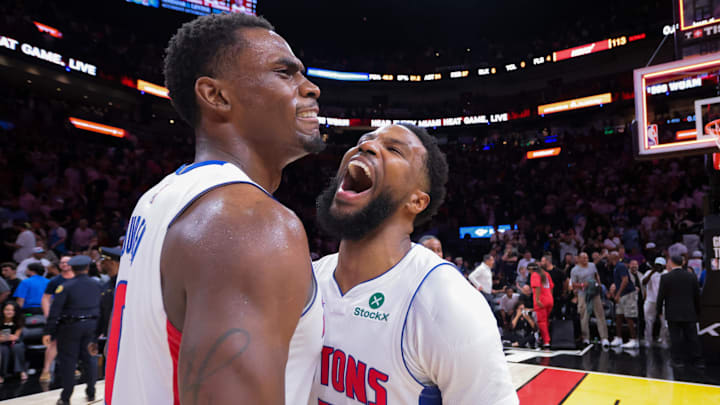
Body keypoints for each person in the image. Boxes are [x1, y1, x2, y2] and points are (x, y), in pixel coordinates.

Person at [106, 13, 324, 405]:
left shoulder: (159, 197)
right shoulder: (246, 220)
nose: (311, 88)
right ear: (217, 96)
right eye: (285, 73)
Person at [311, 124, 517, 403]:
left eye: (394, 149)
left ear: (416, 201)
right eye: (363, 140)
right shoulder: (306, 279)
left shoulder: (447, 302)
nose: (366, 146)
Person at [42, 255, 101, 405]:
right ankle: (91, 392)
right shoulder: (97, 285)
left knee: (68, 361)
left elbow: (55, 310)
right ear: (87, 268)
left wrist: (49, 331)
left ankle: (66, 397)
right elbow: (102, 307)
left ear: (72, 269)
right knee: (90, 359)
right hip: (91, 326)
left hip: (70, 327)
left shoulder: (66, 287)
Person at [657, 255, 704, 368]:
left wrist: (659, 310)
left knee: (675, 338)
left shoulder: (666, 277)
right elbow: (697, 296)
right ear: (682, 263)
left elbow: (661, 297)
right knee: (693, 337)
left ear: (672, 263)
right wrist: (698, 311)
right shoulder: (691, 276)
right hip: (689, 311)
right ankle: (698, 361)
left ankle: (677, 361)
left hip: (673, 313)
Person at [39, 255, 74, 382]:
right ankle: (46, 370)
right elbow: (45, 298)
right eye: (62, 262)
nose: (64, 265)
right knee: (54, 343)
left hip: (75, 315)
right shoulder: (54, 281)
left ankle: (72, 367)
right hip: (58, 316)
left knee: (73, 343)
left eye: (67, 262)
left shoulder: (78, 278)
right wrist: (48, 314)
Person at [570, 252, 609, 347]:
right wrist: (583, 285)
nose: (585, 259)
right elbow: (574, 284)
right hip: (583, 294)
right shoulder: (574, 270)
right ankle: (586, 338)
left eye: (587, 257)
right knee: (584, 316)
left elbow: (596, 275)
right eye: (583, 258)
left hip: (594, 293)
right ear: (578, 259)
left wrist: (599, 284)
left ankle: (604, 338)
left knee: (600, 315)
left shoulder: (592, 266)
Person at [609, 252, 639, 348]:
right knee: (618, 316)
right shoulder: (616, 267)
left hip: (628, 294)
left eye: (610, 256)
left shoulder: (621, 266)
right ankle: (618, 338)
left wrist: (617, 294)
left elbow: (625, 280)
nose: (608, 258)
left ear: (614, 257)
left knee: (628, 316)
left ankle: (633, 339)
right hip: (621, 294)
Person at [641, 257, 669, 348]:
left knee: (665, 323)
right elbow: (643, 282)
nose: (658, 267)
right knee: (648, 322)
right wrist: (652, 272)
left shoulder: (666, 274)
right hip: (650, 300)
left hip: (663, 301)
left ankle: (663, 339)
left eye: (660, 265)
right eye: (657, 265)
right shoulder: (649, 273)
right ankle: (648, 340)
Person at [0, 301, 27, 383]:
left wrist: (6, 337)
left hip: (15, 342)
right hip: (2, 343)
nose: (9, 312)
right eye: (7, 310)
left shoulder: (20, 319)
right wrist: (7, 337)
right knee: (3, 349)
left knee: (18, 347)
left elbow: (16, 336)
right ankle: (1, 374)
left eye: (12, 310)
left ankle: (21, 371)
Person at [97, 246, 121, 338]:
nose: (100, 264)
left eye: (103, 261)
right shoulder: (106, 286)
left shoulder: (125, 285)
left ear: (112, 263)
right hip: (109, 335)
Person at [529, 262, 554, 348]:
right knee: (546, 320)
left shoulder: (535, 275)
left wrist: (537, 299)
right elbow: (551, 287)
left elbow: (537, 287)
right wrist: (550, 297)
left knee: (541, 322)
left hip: (541, 300)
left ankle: (546, 341)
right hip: (549, 299)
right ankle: (544, 338)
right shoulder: (546, 274)